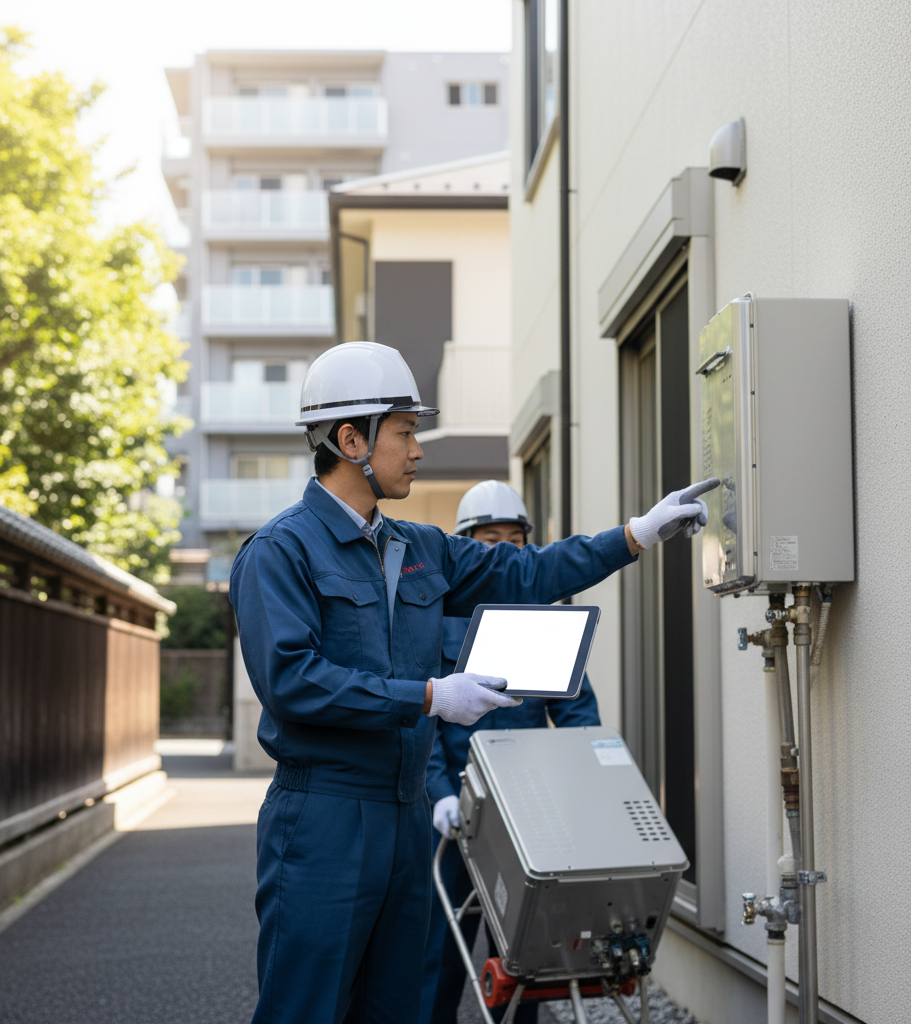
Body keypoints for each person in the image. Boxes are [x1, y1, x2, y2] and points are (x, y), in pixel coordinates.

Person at [229, 341, 717, 1024]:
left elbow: (529, 573)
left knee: (396, 1007)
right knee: (307, 1009)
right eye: (404, 432)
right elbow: (294, 682)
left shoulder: (419, 546)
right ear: (350, 439)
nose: (417, 450)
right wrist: (430, 697)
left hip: (404, 819)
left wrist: (634, 534)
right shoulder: (280, 552)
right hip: (324, 819)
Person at [420, 481, 600, 1024]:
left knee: (519, 957)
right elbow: (420, 720)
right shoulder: (434, 621)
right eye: (488, 539)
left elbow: (576, 713)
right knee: (439, 955)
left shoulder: (538, 624)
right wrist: (439, 794)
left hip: (526, 819)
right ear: (467, 547)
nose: (502, 550)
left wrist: (590, 783)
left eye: (513, 539)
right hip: (455, 816)